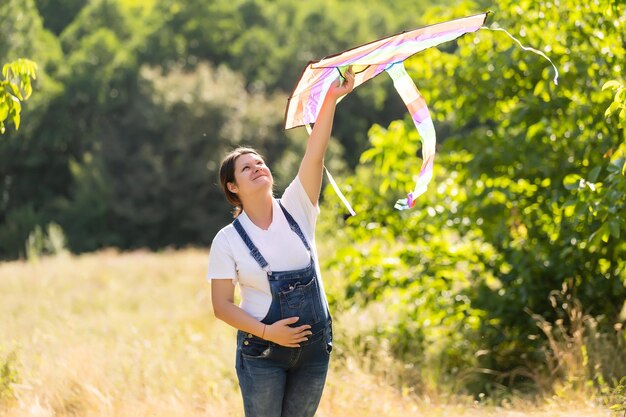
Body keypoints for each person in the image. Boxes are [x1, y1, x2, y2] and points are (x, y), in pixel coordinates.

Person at [207, 68, 355, 417]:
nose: (258, 167)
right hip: (262, 354)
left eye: (260, 162)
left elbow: (315, 155)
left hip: (314, 351)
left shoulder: (298, 208)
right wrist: (268, 332)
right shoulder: (227, 240)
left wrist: (331, 98)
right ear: (232, 187)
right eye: (246, 168)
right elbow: (222, 306)